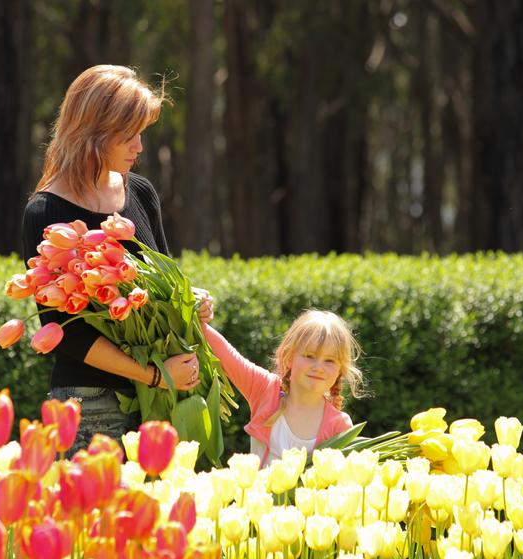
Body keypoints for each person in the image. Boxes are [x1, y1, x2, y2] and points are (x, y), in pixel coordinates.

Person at [22, 64, 200, 453]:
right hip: (87, 405)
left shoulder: (141, 192)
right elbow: (63, 330)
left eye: (141, 133)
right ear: (93, 133)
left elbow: (164, 283)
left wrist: (191, 303)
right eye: (128, 136)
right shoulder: (45, 212)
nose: (139, 146)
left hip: (158, 401)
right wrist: (154, 375)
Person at [198, 309, 363, 467]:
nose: (318, 367)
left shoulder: (339, 425)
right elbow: (225, 353)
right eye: (309, 356)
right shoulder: (265, 390)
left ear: (340, 369)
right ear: (289, 357)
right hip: (256, 497)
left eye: (330, 360)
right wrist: (198, 310)